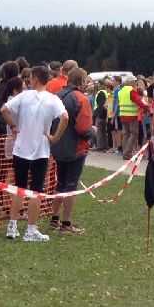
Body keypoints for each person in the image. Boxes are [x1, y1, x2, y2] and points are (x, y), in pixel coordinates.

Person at [0, 65, 68, 242]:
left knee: (20, 188)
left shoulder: (24, 96)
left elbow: (4, 109)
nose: (28, 81)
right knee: (36, 191)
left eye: (30, 78)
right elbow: (65, 117)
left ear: (35, 79)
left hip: (21, 149)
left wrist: (13, 126)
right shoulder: (52, 99)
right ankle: (30, 230)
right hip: (40, 150)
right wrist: (55, 137)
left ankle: (12, 227)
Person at [48, 67, 93, 234]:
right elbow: (83, 128)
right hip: (76, 148)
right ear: (81, 80)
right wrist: (93, 133)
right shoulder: (81, 99)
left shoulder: (57, 96)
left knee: (60, 183)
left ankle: (54, 219)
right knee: (71, 185)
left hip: (58, 146)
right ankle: (66, 223)